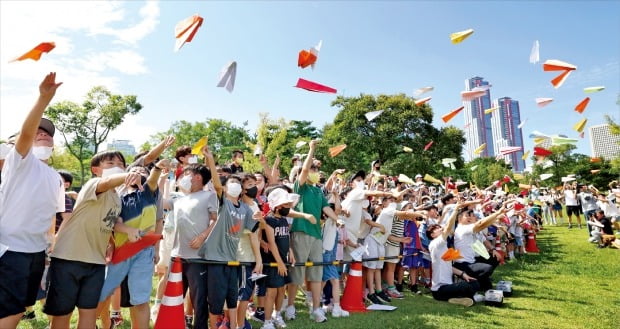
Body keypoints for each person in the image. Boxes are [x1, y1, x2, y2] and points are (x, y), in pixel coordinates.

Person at [44, 151, 142, 329]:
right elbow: (107, 182)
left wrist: (126, 231)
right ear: (96, 170)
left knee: (89, 311)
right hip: (69, 259)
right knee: (62, 313)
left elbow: (112, 222)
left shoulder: (116, 198)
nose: (117, 166)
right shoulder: (94, 184)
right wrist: (127, 175)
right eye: (110, 163)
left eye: (121, 163)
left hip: (96, 262)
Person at [0, 72, 64, 329]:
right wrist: (42, 100)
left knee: (21, 308)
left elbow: (52, 216)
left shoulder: (56, 178)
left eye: (47, 133)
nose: (42, 134)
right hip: (10, 250)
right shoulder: (20, 163)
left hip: (36, 253)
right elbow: (25, 136)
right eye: (37, 132)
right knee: (9, 312)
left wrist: (48, 249)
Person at [97, 158, 169, 329]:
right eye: (135, 172)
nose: (139, 174)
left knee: (140, 299)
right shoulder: (116, 196)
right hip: (119, 253)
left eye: (143, 172)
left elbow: (153, 179)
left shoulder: (150, 193)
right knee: (104, 294)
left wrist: (157, 167)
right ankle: (98, 322)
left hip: (143, 253)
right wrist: (127, 231)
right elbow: (114, 222)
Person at [198, 145, 260, 329]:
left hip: (233, 260)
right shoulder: (223, 203)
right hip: (215, 258)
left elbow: (255, 229)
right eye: (230, 183)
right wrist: (210, 159)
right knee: (216, 300)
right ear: (225, 189)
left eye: (238, 183)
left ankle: (233, 326)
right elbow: (216, 184)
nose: (234, 185)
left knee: (232, 297)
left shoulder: (247, 209)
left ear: (242, 190)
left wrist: (260, 220)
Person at [285, 139, 340, 323]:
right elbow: (305, 169)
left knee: (316, 275)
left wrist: (336, 219)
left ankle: (316, 309)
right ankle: (291, 306)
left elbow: (326, 209)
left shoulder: (318, 192)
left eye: (317, 170)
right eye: (313, 170)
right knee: (297, 274)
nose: (315, 173)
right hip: (300, 233)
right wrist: (311, 149)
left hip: (317, 236)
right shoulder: (299, 187)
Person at [170, 161, 218, 329]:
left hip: (197, 257)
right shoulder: (180, 199)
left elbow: (216, 220)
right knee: (173, 296)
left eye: (186, 175)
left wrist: (203, 236)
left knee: (199, 297)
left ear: (198, 177)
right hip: (177, 255)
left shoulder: (209, 195)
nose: (182, 178)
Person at [427, 203, 481, 306]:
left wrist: (464, 274)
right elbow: (448, 228)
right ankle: (461, 297)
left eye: (439, 227)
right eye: (436, 229)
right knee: (465, 286)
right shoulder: (436, 243)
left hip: (448, 286)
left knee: (474, 283)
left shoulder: (444, 246)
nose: (440, 228)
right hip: (439, 290)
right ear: (432, 235)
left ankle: (457, 298)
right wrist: (455, 210)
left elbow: (449, 267)